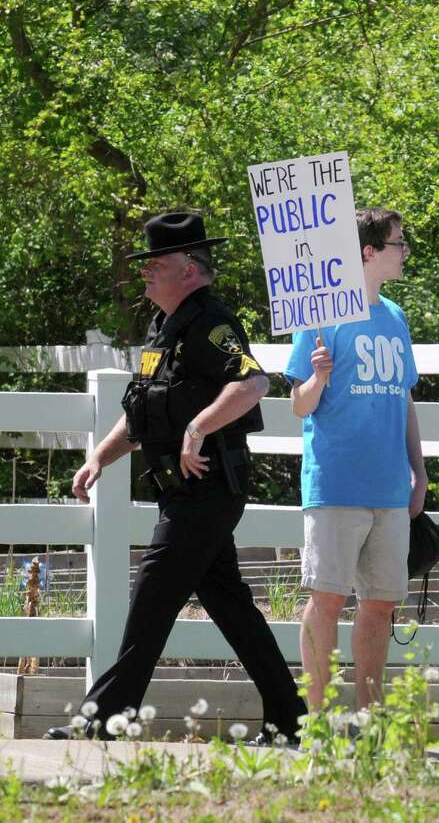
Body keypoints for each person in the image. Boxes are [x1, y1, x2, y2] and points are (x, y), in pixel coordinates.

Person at [46, 212, 306, 743]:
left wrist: (197, 428)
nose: (144, 272)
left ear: (189, 268)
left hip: (207, 489)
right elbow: (142, 412)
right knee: (233, 610)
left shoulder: (212, 322)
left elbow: (253, 383)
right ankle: (289, 721)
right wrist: (100, 458)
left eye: (155, 263)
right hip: (181, 493)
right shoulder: (162, 329)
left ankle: (103, 720)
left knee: (152, 598)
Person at [285, 207, 426, 711]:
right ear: (368, 251)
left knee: (381, 603)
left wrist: (419, 471)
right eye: (398, 243)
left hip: (388, 487)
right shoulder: (320, 315)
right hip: (336, 484)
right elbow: (299, 404)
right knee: (326, 598)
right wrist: (318, 377)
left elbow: (404, 397)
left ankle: (369, 716)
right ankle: (319, 719)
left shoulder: (396, 317)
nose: (405, 252)